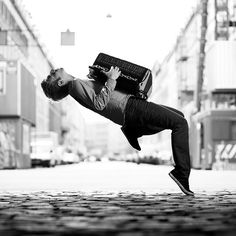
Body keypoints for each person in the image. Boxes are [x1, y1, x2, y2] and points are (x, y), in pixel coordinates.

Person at [41, 67, 194, 196]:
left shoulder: (77, 84)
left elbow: (100, 96)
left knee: (178, 116)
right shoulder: (74, 85)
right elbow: (99, 103)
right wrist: (111, 79)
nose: (53, 71)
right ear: (60, 82)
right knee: (180, 123)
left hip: (130, 105)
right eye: (51, 76)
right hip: (130, 108)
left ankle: (132, 130)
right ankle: (181, 173)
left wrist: (100, 78)